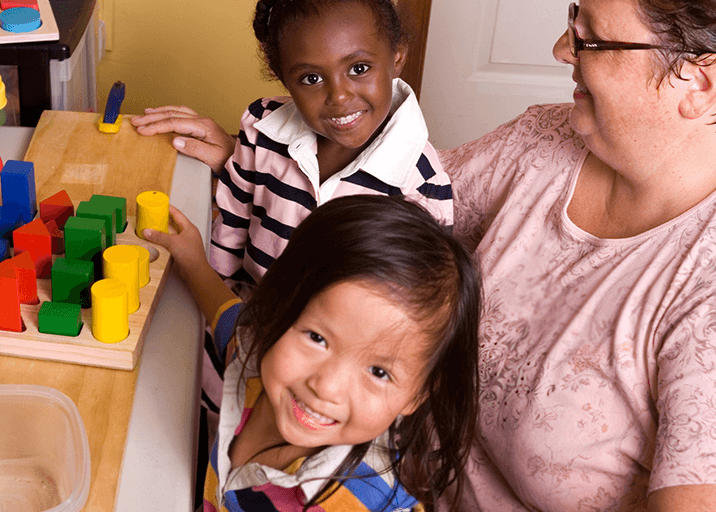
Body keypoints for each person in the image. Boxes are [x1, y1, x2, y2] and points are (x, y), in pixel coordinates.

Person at [435, 0, 716, 510]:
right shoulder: (547, 141)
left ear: (699, 82)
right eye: (574, 17)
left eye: (590, 38)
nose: (562, 50)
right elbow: (389, 212)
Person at [141, 195, 480, 510]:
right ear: (279, 313)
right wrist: (194, 264)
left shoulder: (364, 501)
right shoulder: (255, 361)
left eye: (379, 372)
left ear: (417, 394)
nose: (326, 387)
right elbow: (231, 319)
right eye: (317, 338)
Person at [132, 0, 452, 298]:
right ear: (283, 77)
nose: (338, 96)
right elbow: (230, 230)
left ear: (397, 58)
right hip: (238, 317)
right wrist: (217, 313)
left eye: (358, 68)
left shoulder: (421, 187)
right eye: (311, 78)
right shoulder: (261, 127)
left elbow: (409, 306)